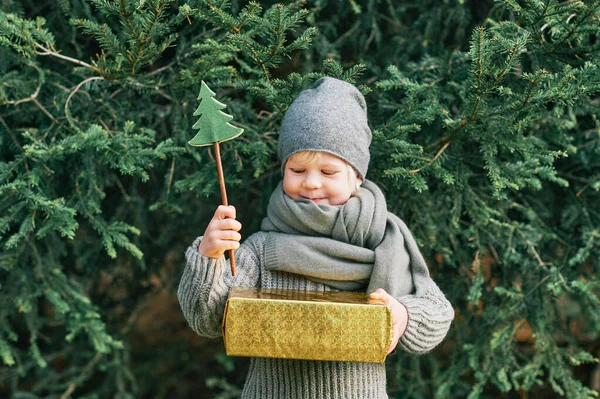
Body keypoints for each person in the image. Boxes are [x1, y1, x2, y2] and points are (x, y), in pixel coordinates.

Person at [178, 77, 454, 399]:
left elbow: (438, 312)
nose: (310, 183)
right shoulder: (262, 249)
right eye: (297, 170)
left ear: (356, 178)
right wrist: (209, 256)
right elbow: (207, 319)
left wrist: (404, 316)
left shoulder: (381, 242)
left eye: (328, 172)